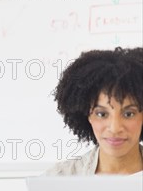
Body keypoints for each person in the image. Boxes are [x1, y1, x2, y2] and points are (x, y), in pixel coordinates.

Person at [46, 47, 143, 176]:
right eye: (102, 114)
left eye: (128, 114)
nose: (115, 128)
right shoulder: (58, 178)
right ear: (87, 115)